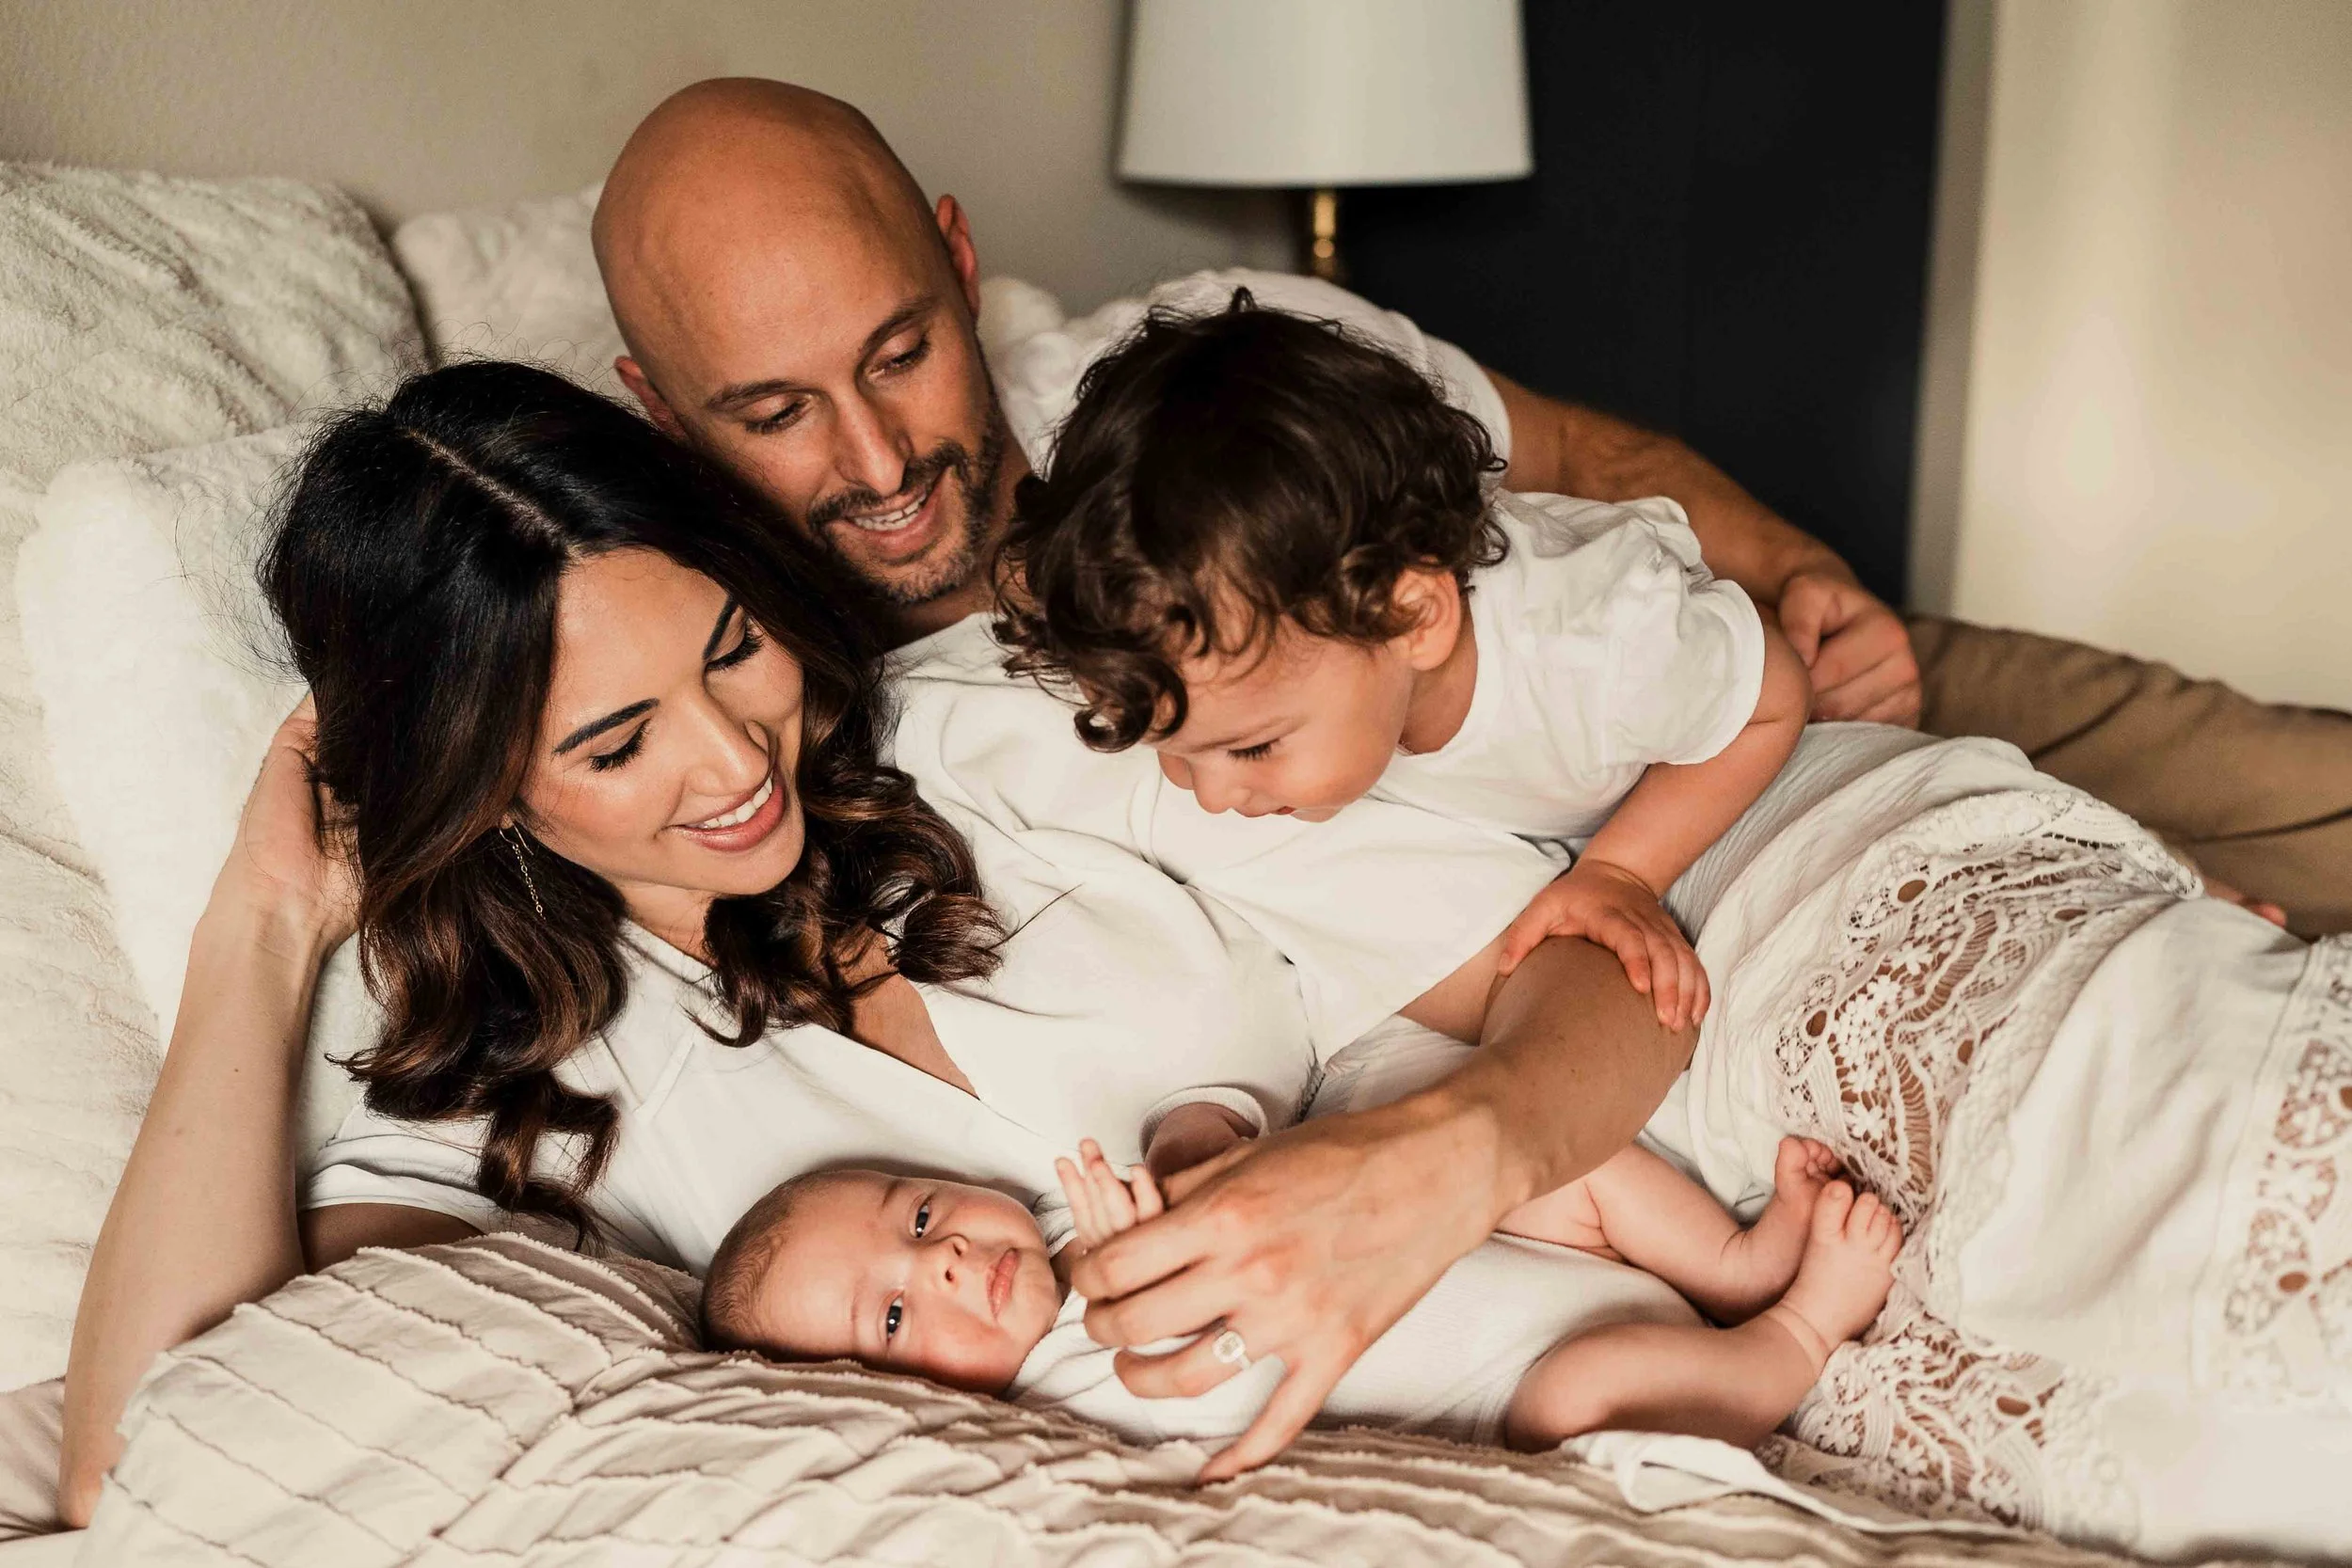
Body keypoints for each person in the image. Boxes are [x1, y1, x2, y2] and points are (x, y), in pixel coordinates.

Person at [56, 362, 1681, 1522]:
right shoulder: (511, 1058)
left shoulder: (1007, 729)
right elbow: (150, 1460)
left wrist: (1443, 1157)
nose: (732, 757)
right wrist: (262, 931)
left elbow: (1599, 968)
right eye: (618, 745)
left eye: (732, 648)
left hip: (1570, 1360)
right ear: (479, 790)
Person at [589, 78, 2351, 939]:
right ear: (659, 416)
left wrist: (1805, 574)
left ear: (962, 265)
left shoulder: (1220, 353)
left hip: (1713, 656)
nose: (882, 459)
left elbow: (1582, 460)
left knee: (2298, 771)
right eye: (775, 414)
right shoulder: (752, 719)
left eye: (901, 351)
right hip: (1703, 835)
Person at [996, 299, 1811, 1028]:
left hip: (1716, 752)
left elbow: (1774, 692)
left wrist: (1623, 871)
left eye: (1251, 747)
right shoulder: (1325, 667)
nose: (1209, 795)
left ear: (1411, 617)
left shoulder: (1595, 647)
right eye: (1174, 750)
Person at [698, 1133, 1900, 1453]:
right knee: (1575, 1402)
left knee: (1552, 1163)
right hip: (1529, 1378)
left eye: (918, 1214)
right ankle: (1795, 1332)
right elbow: (1184, 1394)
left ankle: (1738, 1265)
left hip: (1533, 1261)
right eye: (896, 1315)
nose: (946, 1258)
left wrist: (1166, 1201)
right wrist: (1152, 1292)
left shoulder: (1083, 1207)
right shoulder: (1046, 1409)